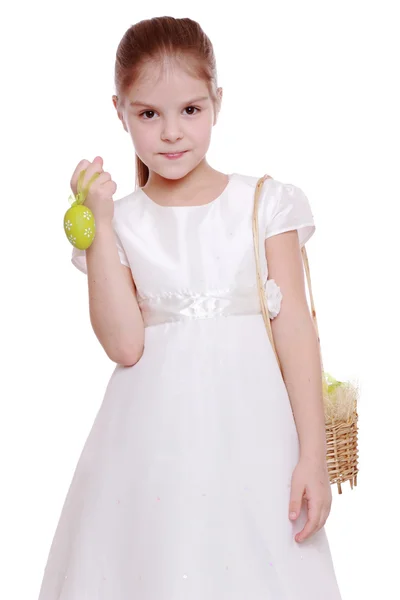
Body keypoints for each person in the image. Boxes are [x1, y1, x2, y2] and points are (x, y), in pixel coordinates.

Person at [38, 15, 342, 600]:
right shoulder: (120, 221)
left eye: (190, 111)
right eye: (148, 114)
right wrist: (99, 223)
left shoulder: (265, 203)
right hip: (150, 445)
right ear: (119, 110)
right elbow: (124, 345)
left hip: (254, 436)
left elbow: (297, 331)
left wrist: (313, 454)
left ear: (217, 103)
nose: (171, 133)